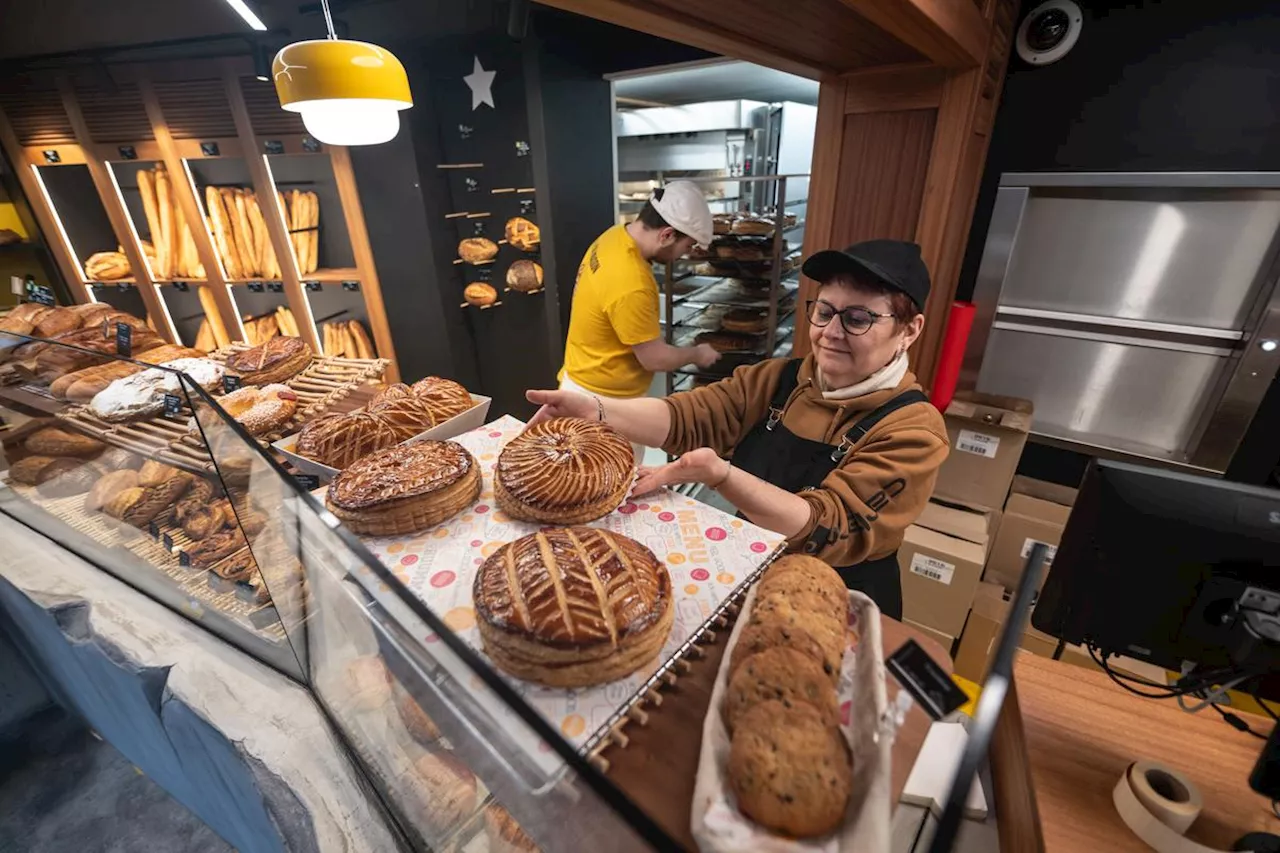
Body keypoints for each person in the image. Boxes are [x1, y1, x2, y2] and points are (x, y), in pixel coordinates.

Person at [528, 239, 949, 618]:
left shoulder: (912, 430)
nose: (831, 333)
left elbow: (827, 525)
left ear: (909, 330)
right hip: (754, 573)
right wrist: (596, 409)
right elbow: (688, 416)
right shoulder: (778, 380)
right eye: (824, 312)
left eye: (858, 319)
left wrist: (723, 476)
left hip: (839, 603)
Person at [558, 182, 721, 462]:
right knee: (612, 492)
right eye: (687, 244)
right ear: (667, 234)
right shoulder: (632, 281)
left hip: (579, 381)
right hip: (604, 406)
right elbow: (654, 359)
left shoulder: (612, 237)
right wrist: (696, 353)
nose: (685, 254)